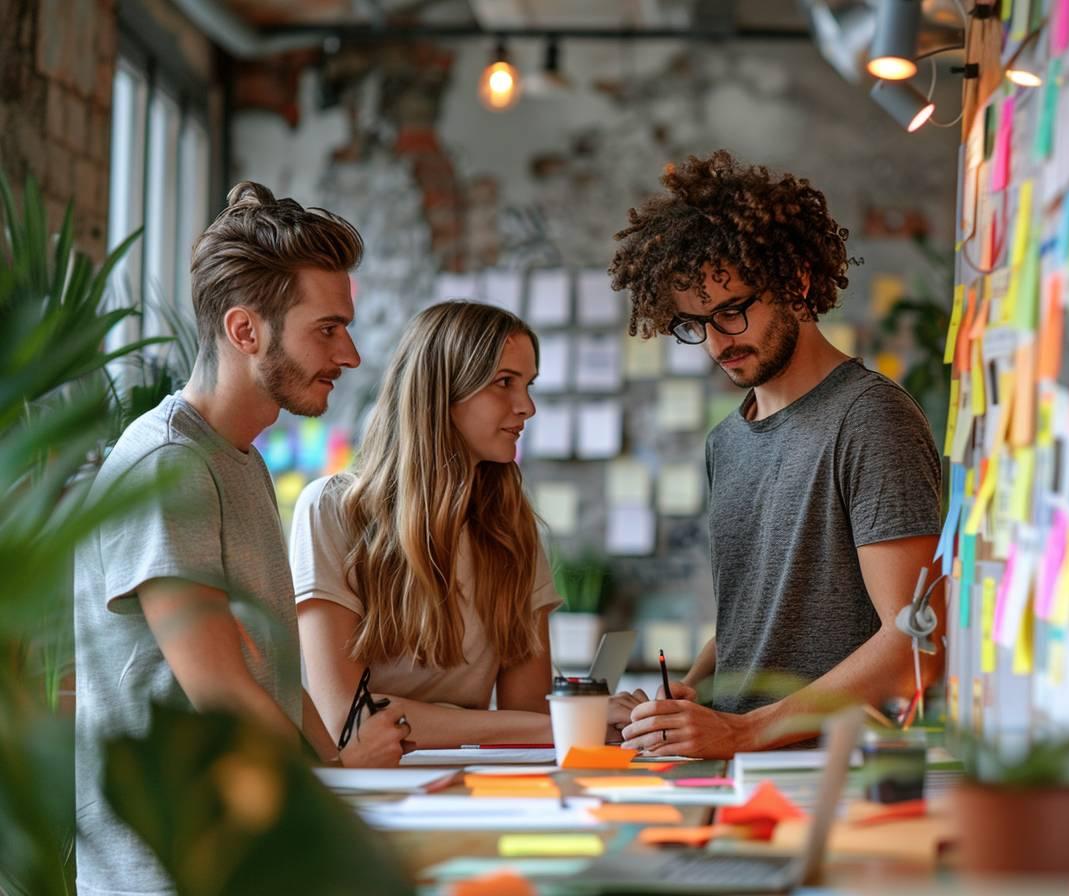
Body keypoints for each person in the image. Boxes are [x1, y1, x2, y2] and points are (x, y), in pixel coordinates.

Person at [74, 182, 409, 896]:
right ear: (244, 329)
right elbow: (223, 693)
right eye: (327, 329)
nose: (349, 354)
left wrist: (339, 776)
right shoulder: (169, 464)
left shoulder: (241, 458)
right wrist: (337, 791)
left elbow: (272, 680)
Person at [610, 151, 945, 759]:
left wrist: (744, 729)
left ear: (798, 282)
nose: (717, 341)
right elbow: (760, 619)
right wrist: (695, 689)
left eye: (732, 310)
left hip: (827, 768)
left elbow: (915, 643)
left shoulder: (871, 418)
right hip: (738, 760)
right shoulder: (727, 441)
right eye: (695, 323)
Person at [291, 301, 640, 748]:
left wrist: (601, 719)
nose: (527, 407)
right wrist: (561, 724)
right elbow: (350, 720)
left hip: (471, 784)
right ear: (441, 393)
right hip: (367, 795)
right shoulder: (333, 510)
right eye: (504, 383)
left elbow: (527, 717)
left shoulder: (512, 529)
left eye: (528, 385)